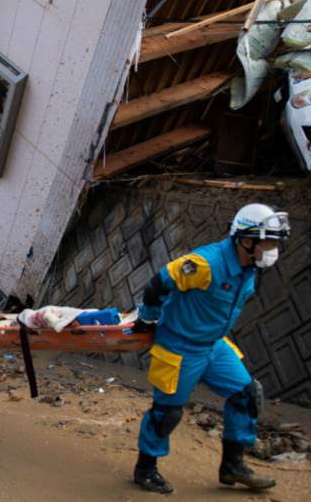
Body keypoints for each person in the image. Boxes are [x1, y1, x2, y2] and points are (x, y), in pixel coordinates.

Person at [130, 203, 290, 494]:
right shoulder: (206, 264)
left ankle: (232, 466)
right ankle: (145, 468)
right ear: (246, 238)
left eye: (275, 242)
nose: (272, 249)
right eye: (268, 241)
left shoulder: (249, 267)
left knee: (247, 394)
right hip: (179, 346)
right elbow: (159, 283)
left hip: (214, 346)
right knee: (166, 412)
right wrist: (147, 317)